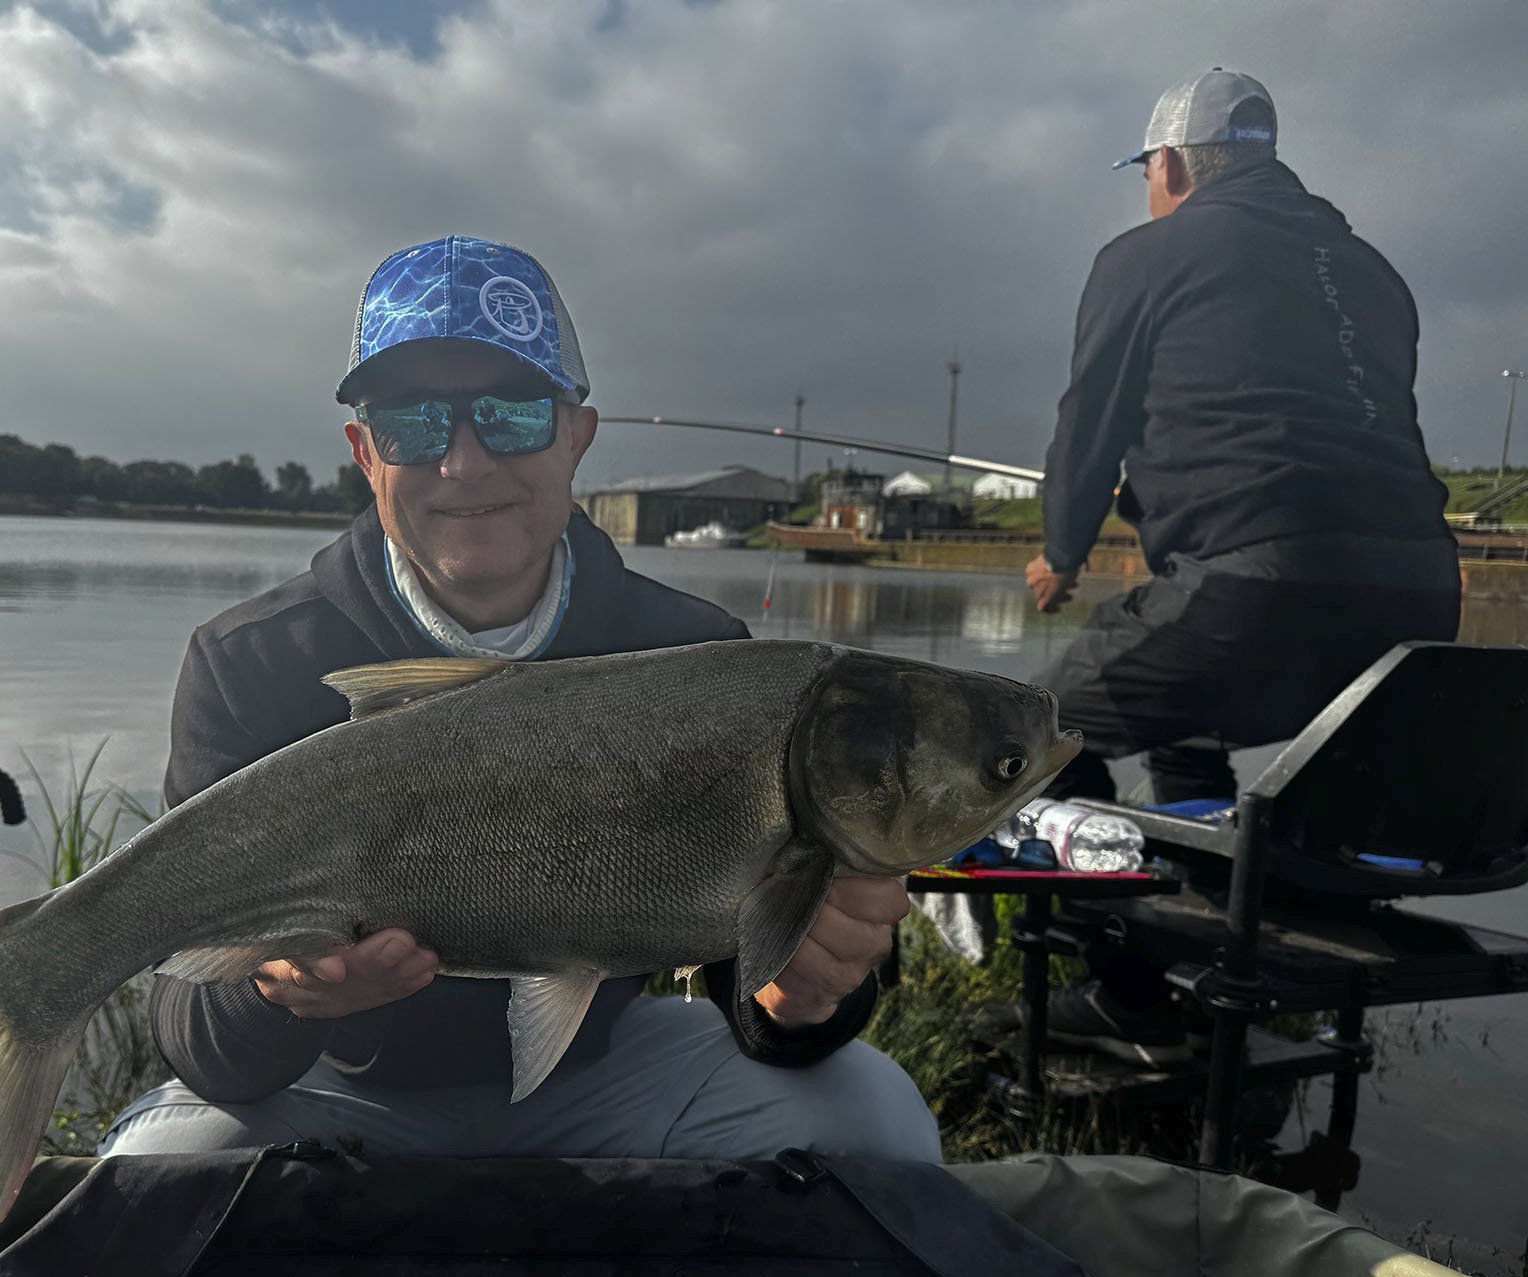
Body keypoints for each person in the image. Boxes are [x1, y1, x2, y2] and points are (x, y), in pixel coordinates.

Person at [101, 236, 940, 1163]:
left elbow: (766, 997)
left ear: (576, 434)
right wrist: (274, 994)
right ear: (363, 453)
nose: (465, 462)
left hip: (607, 1073)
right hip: (338, 1090)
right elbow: (188, 1024)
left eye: (510, 415)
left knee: (874, 1120)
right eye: (414, 425)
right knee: (159, 1166)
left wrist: (803, 997)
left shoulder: (695, 655)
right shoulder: (251, 663)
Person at [1019, 71, 1462, 1062]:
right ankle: (1199, 962)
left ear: (1170, 166)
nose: (1147, 189)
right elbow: (1307, 443)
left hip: (1260, 600)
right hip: (1419, 615)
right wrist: (1168, 507)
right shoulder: (1374, 275)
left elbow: (1089, 425)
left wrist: (1059, 551)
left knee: (1030, 738)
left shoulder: (1148, 255)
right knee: (1187, 712)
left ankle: (1128, 994)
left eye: (1148, 173)